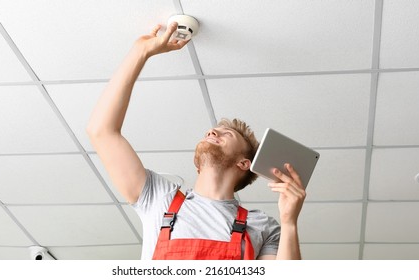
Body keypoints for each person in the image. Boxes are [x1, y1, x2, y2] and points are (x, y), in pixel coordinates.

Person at [86, 22, 306, 260]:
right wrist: (141, 51)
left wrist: (290, 222)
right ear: (198, 164)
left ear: (244, 163)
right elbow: (101, 131)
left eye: (226, 134)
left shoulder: (261, 226)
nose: (212, 133)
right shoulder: (159, 198)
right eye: (211, 132)